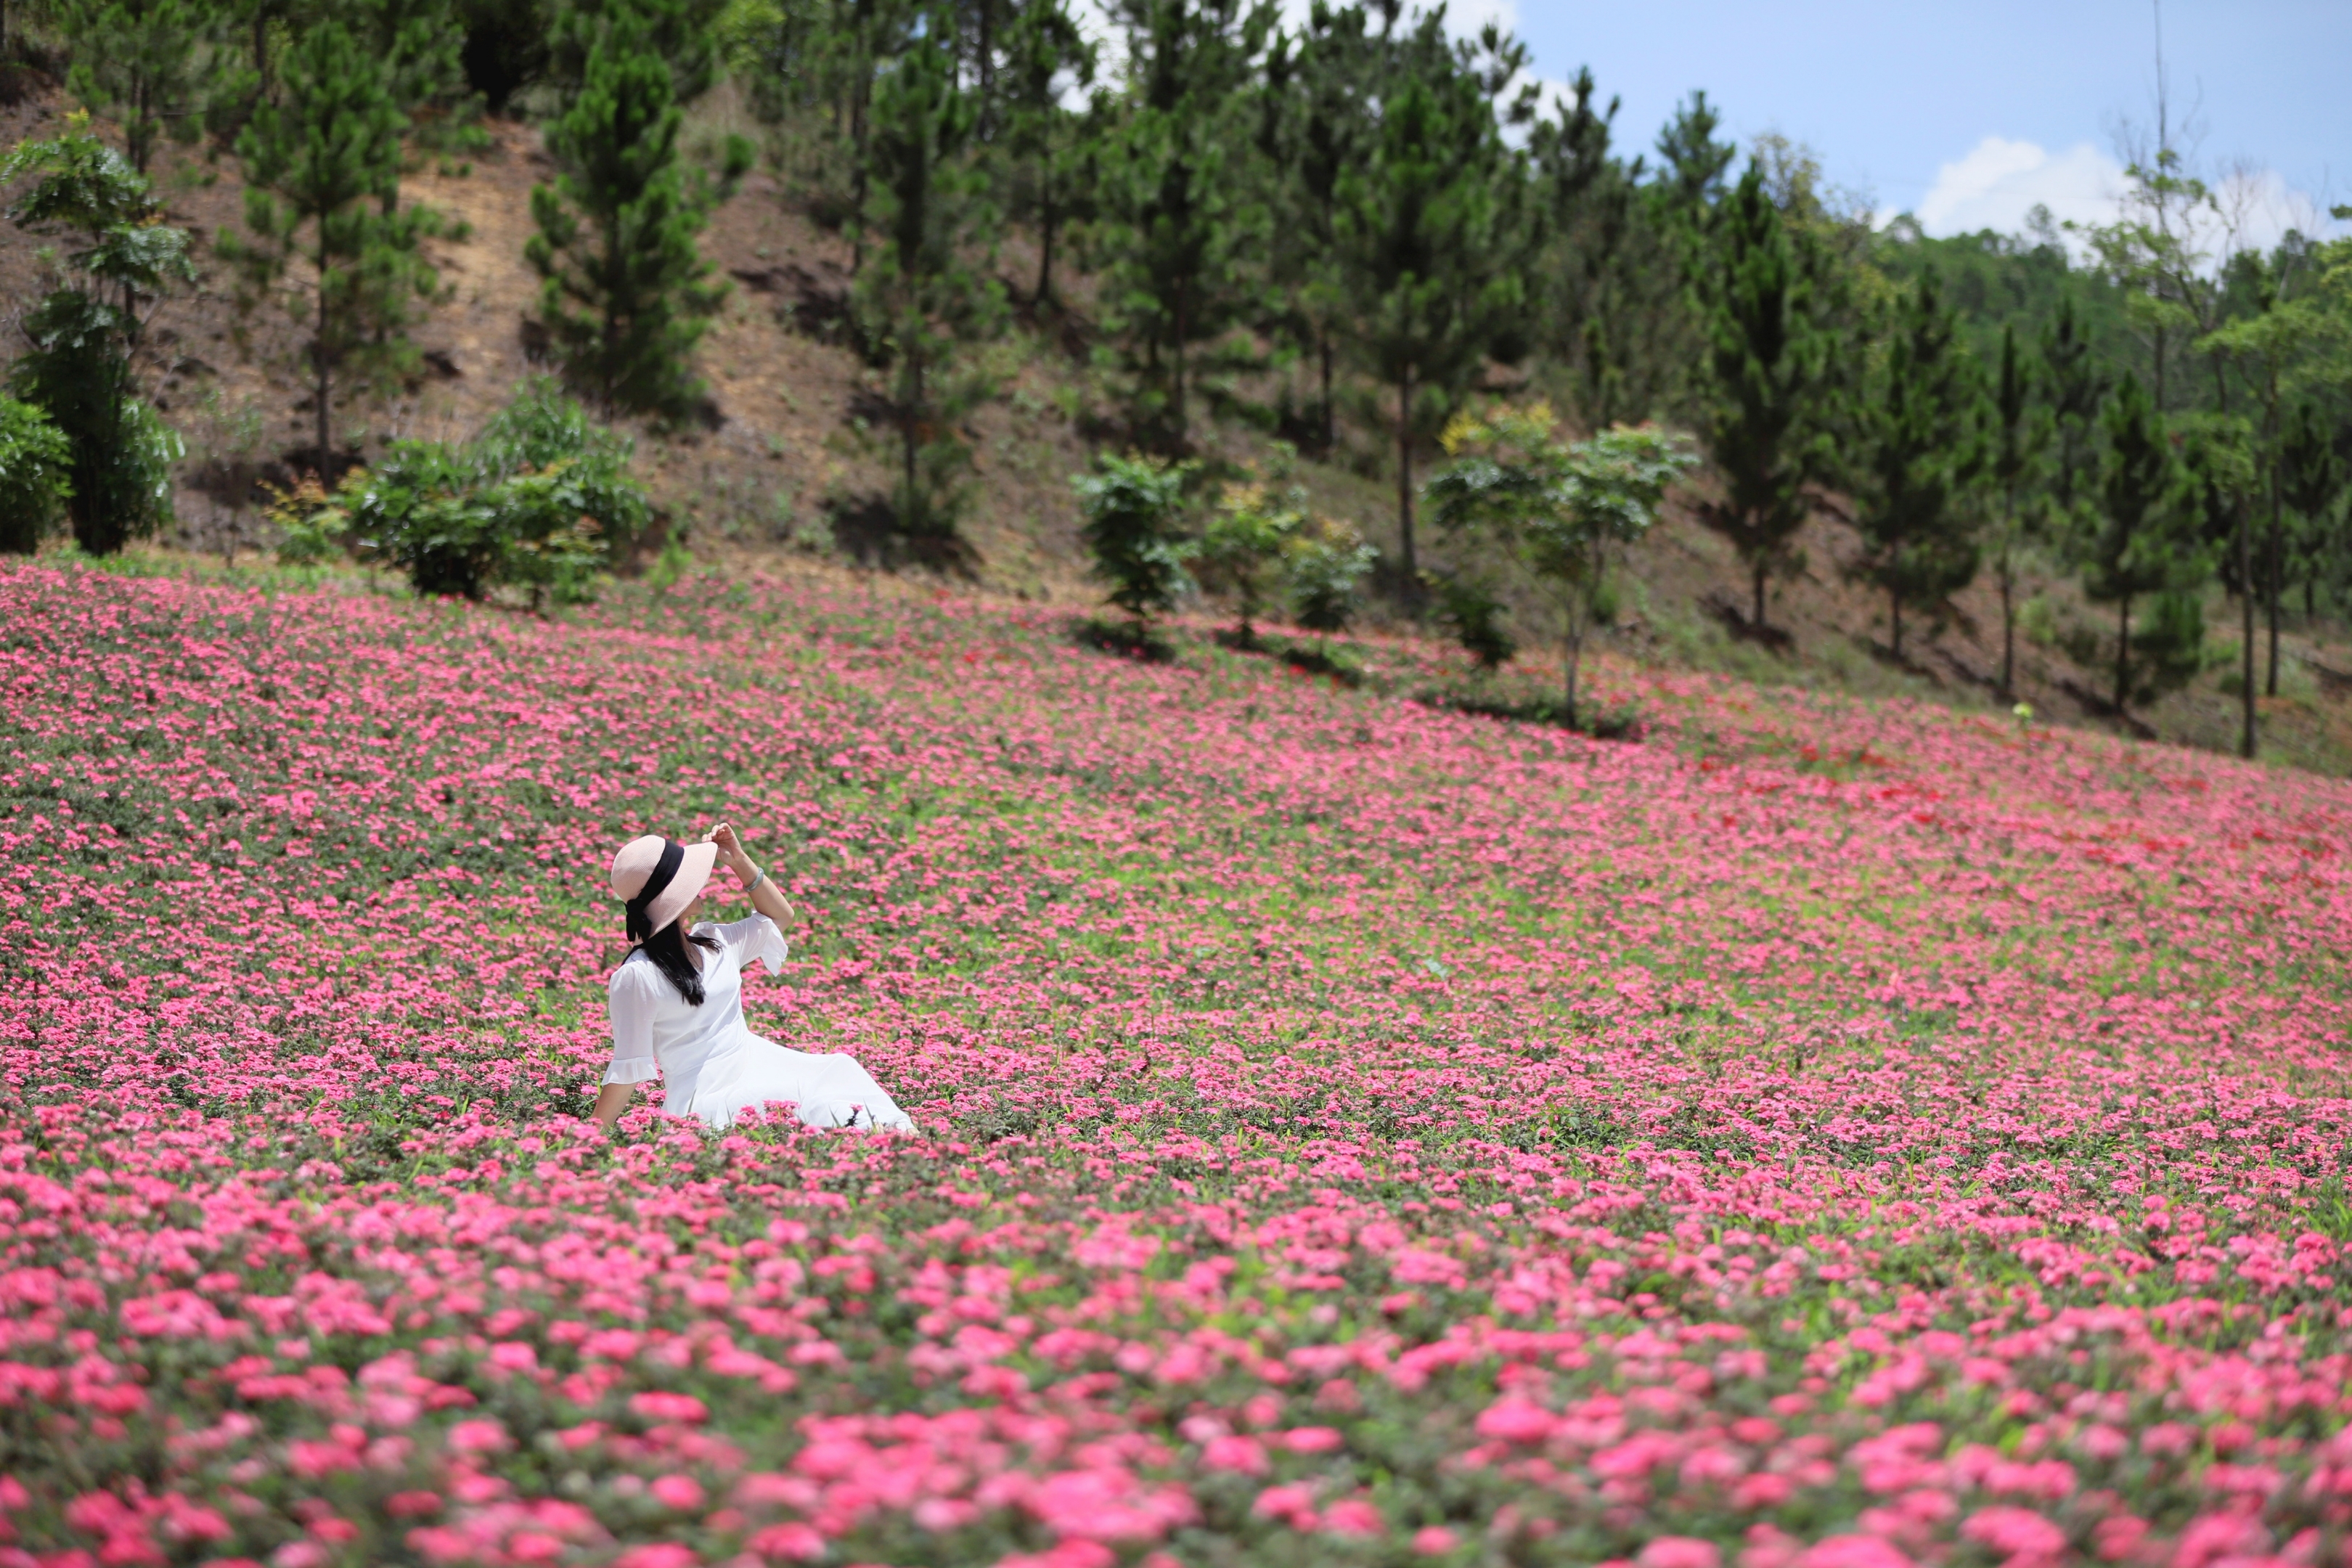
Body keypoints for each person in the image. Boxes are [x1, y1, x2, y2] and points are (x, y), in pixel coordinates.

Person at [594, 822, 913, 1133]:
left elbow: (780, 917)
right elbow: (628, 1069)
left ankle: (890, 1147)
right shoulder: (637, 976)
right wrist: (587, 1135)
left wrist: (740, 862)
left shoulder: (715, 943)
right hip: (705, 1094)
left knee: (838, 1070)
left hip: (757, 1061)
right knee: (786, 1102)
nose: (700, 882)